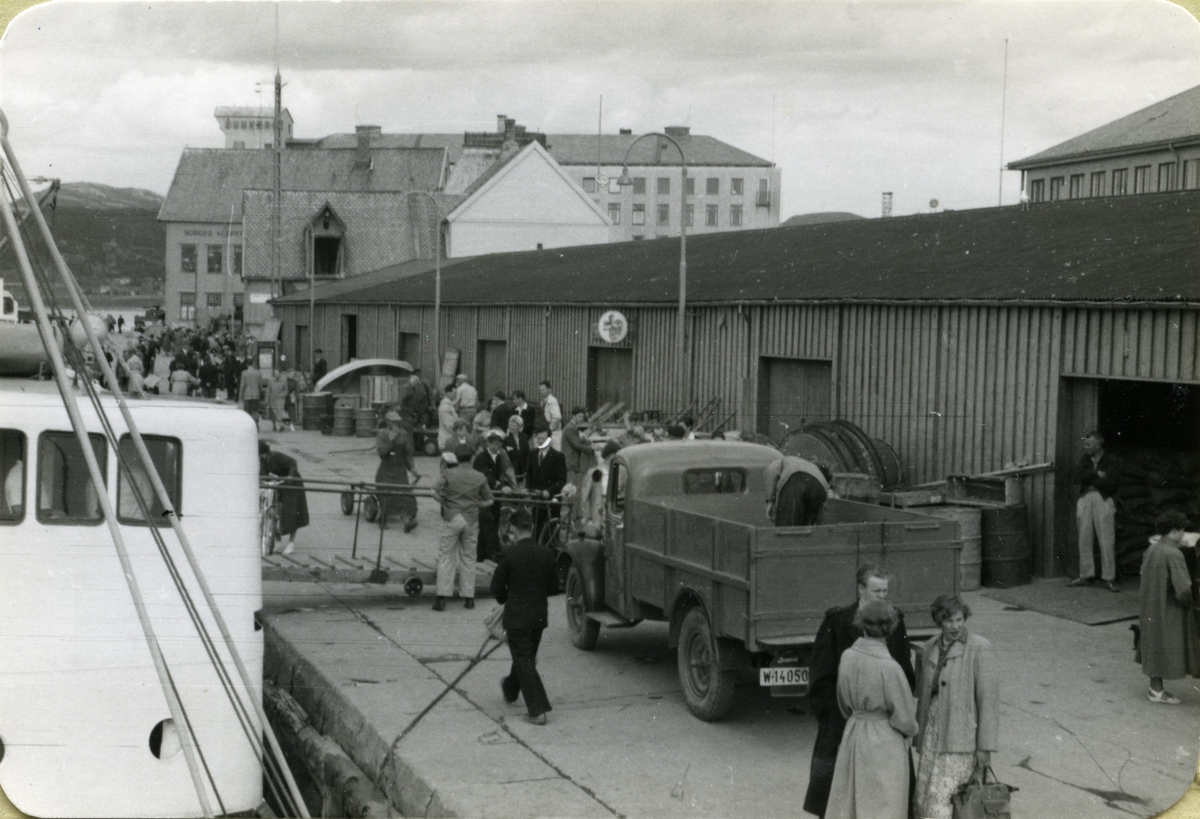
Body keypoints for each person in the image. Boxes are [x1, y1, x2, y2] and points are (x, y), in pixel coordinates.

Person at [804, 564, 915, 818]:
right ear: (861, 588)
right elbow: (821, 679)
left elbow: (906, 675)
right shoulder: (837, 621)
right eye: (876, 591)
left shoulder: (894, 622)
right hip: (843, 724)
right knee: (839, 798)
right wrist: (838, 720)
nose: (882, 597)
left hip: (885, 728)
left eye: (885, 591)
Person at [824, 600, 918, 819]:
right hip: (884, 740)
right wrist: (912, 730)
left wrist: (859, 716)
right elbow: (904, 717)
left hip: (854, 733)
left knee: (852, 803)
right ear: (891, 627)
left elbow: (843, 701)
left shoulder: (847, 656)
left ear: (861, 624)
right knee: (884, 805)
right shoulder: (889, 667)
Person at [912, 594, 999, 819]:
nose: (955, 626)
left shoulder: (980, 648)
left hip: (961, 739)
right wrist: (918, 736)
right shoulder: (930, 645)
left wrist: (984, 747)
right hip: (933, 735)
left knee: (955, 801)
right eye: (949, 621)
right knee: (925, 799)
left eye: (959, 620)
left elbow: (988, 702)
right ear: (939, 621)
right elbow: (923, 695)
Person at [490, 507, 557, 725]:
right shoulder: (546, 553)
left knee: (523, 659)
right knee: (525, 657)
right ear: (532, 528)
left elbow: (496, 587)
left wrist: (506, 600)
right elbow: (555, 587)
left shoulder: (509, 554)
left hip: (517, 616)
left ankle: (537, 711)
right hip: (538, 616)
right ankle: (510, 689)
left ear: (514, 529)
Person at [1138, 511, 1200, 704]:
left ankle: (1155, 688)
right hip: (1170, 608)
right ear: (1174, 531)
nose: (1183, 535)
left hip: (1151, 605)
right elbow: (1182, 589)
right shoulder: (1174, 554)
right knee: (1169, 645)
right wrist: (1190, 604)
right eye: (1182, 531)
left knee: (1155, 644)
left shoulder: (1152, 550)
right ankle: (1157, 692)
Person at [431, 444, 494, 611]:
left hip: (452, 517)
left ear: (456, 458)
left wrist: (445, 503)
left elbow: (433, 491)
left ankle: (441, 598)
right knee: (468, 558)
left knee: (446, 557)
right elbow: (490, 500)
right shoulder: (479, 476)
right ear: (472, 457)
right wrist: (477, 504)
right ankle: (468, 598)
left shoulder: (448, 473)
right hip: (471, 519)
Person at [1069, 430, 1122, 592]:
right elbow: (1076, 476)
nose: (1086, 447)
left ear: (1099, 444)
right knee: (1084, 537)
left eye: (1089, 444)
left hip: (1103, 499)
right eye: (1085, 444)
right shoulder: (1085, 459)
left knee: (1106, 539)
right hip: (1086, 498)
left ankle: (1109, 578)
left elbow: (1111, 483)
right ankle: (1086, 575)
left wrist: (1090, 477)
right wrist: (1097, 474)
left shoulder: (1112, 460)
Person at [259, 441, 310, 556]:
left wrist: (290, 476)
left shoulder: (276, 456)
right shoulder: (263, 461)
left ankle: (291, 543)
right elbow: (262, 474)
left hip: (292, 484)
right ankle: (278, 542)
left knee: (292, 512)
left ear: (261, 453)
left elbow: (292, 462)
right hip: (280, 484)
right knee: (276, 511)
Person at [473, 429, 517, 561]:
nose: (496, 447)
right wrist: (501, 487)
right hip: (482, 497)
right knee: (489, 521)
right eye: (493, 444)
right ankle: (495, 553)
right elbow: (487, 476)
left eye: (498, 444)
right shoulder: (481, 458)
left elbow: (502, 474)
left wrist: (510, 487)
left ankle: (481, 555)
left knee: (489, 525)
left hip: (494, 498)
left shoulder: (499, 457)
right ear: (487, 444)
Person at [376, 411, 419, 533]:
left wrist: (412, 467)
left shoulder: (404, 434)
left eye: (397, 421)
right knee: (387, 494)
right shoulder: (382, 434)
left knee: (406, 495)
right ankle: (382, 518)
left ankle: (407, 520)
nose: (396, 424)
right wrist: (390, 440)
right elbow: (381, 453)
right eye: (393, 421)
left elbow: (408, 453)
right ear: (388, 422)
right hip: (386, 469)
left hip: (400, 469)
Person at [524, 424, 567, 543]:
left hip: (551, 499)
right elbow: (529, 474)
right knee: (536, 527)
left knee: (551, 529)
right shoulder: (533, 454)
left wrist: (549, 490)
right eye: (538, 438)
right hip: (536, 498)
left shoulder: (558, 456)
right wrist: (528, 489)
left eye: (543, 438)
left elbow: (561, 480)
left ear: (549, 439)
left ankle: (552, 554)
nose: (540, 441)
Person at [765, 454, 831, 527]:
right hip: (821, 486)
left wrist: (770, 501)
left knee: (786, 525)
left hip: (796, 478)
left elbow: (770, 472)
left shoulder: (778, 463)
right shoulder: (811, 467)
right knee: (807, 526)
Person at [561, 406, 593, 517]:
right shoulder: (571, 428)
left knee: (573, 489)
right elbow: (576, 445)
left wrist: (584, 440)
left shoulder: (572, 427)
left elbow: (577, 441)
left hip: (572, 462)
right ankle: (569, 516)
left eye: (582, 417)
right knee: (571, 490)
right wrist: (591, 448)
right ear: (573, 416)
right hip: (571, 462)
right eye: (579, 416)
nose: (581, 419)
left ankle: (573, 515)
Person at [504, 414, 530, 486]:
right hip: (511, 470)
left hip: (522, 469)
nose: (511, 428)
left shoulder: (524, 437)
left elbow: (527, 454)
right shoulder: (505, 439)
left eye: (513, 426)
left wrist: (527, 468)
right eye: (510, 425)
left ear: (519, 427)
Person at [239, 361, 264, 427]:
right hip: (256, 395)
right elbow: (260, 385)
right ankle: (256, 424)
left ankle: (249, 425)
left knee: (247, 411)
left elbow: (242, 385)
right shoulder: (258, 373)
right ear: (253, 364)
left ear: (247, 364)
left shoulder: (244, 373)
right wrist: (260, 392)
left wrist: (241, 395)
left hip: (247, 395)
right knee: (255, 410)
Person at [538, 380, 562, 448]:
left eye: (543, 390)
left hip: (554, 432)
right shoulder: (544, 401)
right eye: (540, 390)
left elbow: (557, 417)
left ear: (549, 389)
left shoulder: (552, 401)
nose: (542, 392)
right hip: (547, 432)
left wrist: (550, 428)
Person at [437, 384, 459, 452]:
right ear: (448, 393)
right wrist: (457, 436)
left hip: (449, 439)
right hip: (447, 440)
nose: (455, 395)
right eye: (454, 393)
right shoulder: (445, 406)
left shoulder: (449, 405)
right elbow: (448, 425)